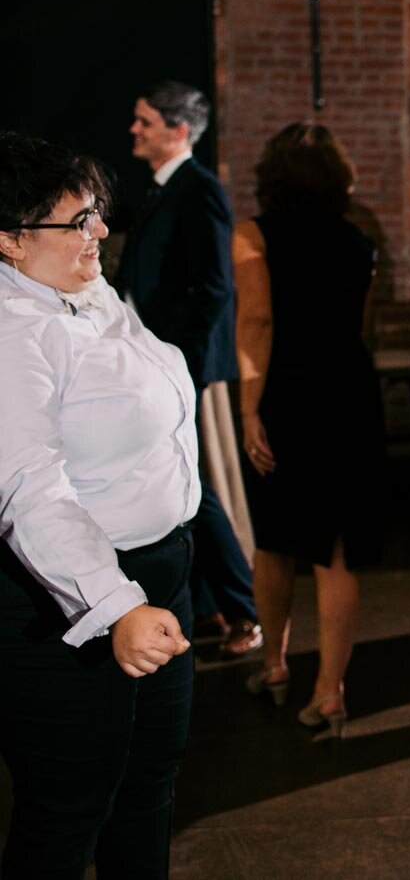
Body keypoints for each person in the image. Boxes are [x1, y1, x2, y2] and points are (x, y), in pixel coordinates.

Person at [0, 131, 197, 875]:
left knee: (148, 787)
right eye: (77, 220)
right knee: (68, 807)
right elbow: (29, 489)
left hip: (160, 574)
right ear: (11, 240)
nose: (99, 232)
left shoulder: (89, 293)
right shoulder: (12, 330)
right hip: (66, 600)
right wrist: (118, 607)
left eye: (97, 215)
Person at [234, 123, 385, 737]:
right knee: (336, 550)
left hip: (286, 394)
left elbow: (258, 322)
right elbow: (361, 326)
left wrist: (249, 410)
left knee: (274, 539)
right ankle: (330, 691)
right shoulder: (359, 242)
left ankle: (273, 664)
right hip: (349, 391)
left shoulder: (253, 235)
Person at [120, 80, 261, 657]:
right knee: (179, 484)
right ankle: (204, 607)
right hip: (155, 361)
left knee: (192, 488)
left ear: (178, 131)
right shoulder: (160, 188)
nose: (134, 130)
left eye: (145, 121)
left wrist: (176, 363)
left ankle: (246, 611)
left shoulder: (199, 189)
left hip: (179, 366)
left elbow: (213, 290)